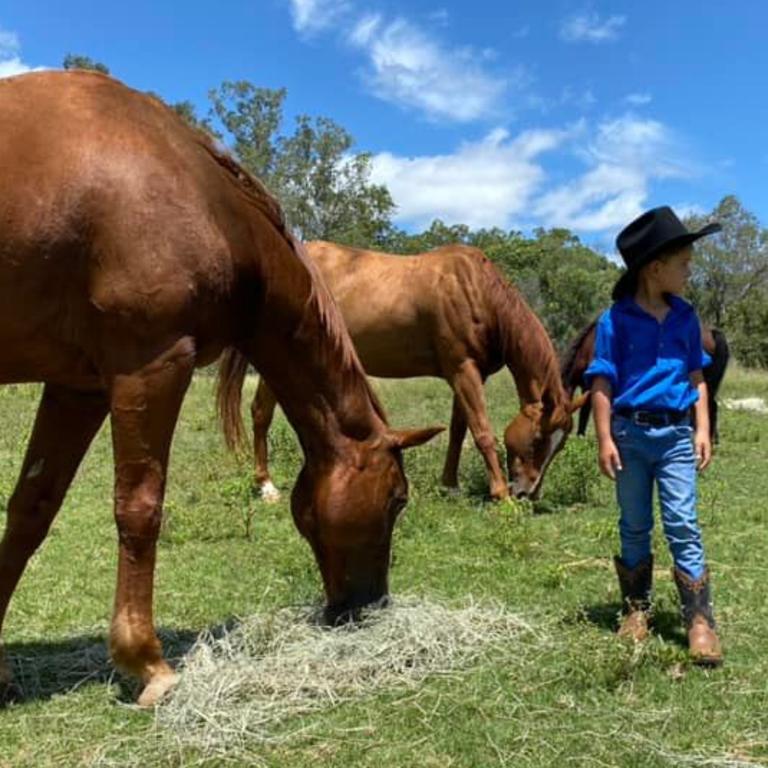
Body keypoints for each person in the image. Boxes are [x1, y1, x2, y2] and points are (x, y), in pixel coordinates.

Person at [584, 206, 723, 665]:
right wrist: (604, 437)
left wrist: (703, 428)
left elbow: (697, 377)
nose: (690, 270)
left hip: (676, 436)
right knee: (635, 523)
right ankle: (636, 611)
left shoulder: (685, 318)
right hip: (630, 436)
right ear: (654, 268)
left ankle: (699, 621)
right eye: (683, 263)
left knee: (683, 524)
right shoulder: (615, 321)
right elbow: (601, 382)